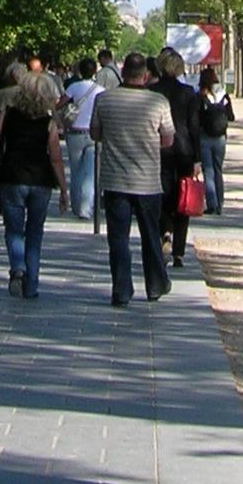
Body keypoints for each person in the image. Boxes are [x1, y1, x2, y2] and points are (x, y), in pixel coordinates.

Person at [90, 53, 175, 307]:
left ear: (122, 72)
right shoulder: (158, 102)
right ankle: (155, 284)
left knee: (118, 238)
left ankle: (122, 289)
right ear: (145, 75)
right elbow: (168, 139)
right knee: (151, 234)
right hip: (147, 180)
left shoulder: (104, 99)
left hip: (115, 180)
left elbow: (95, 133)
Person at [0, 65, 68, 299]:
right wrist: (63, 189)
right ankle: (32, 286)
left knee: (13, 229)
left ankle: (18, 269)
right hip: (40, 181)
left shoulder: (9, 114)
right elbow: (56, 158)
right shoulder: (48, 122)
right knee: (35, 232)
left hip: (12, 177)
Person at [155, 48, 203, 269]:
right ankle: (179, 252)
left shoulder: (153, 91)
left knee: (162, 194)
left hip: (160, 148)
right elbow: (194, 126)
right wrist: (198, 158)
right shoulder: (189, 93)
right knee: (184, 199)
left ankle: (165, 230)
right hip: (184, 149)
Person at [60, 58, 102, 221]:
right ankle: (86, 208)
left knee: (76, 171)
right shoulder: (101, 90)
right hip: (93, 135)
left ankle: (76, 206)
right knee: (91, 173)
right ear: (94, 71)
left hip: (75, 133)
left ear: (80, 71)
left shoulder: (73, 87)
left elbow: (60, 104)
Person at [197, 63, 232, 214]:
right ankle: (220, 203)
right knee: (218, 169)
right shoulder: (223, 95)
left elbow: (196, 118)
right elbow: (231, 116)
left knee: (208, 170)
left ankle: (212, 203)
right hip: (220, 137)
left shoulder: (201, 96)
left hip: (205, 136)